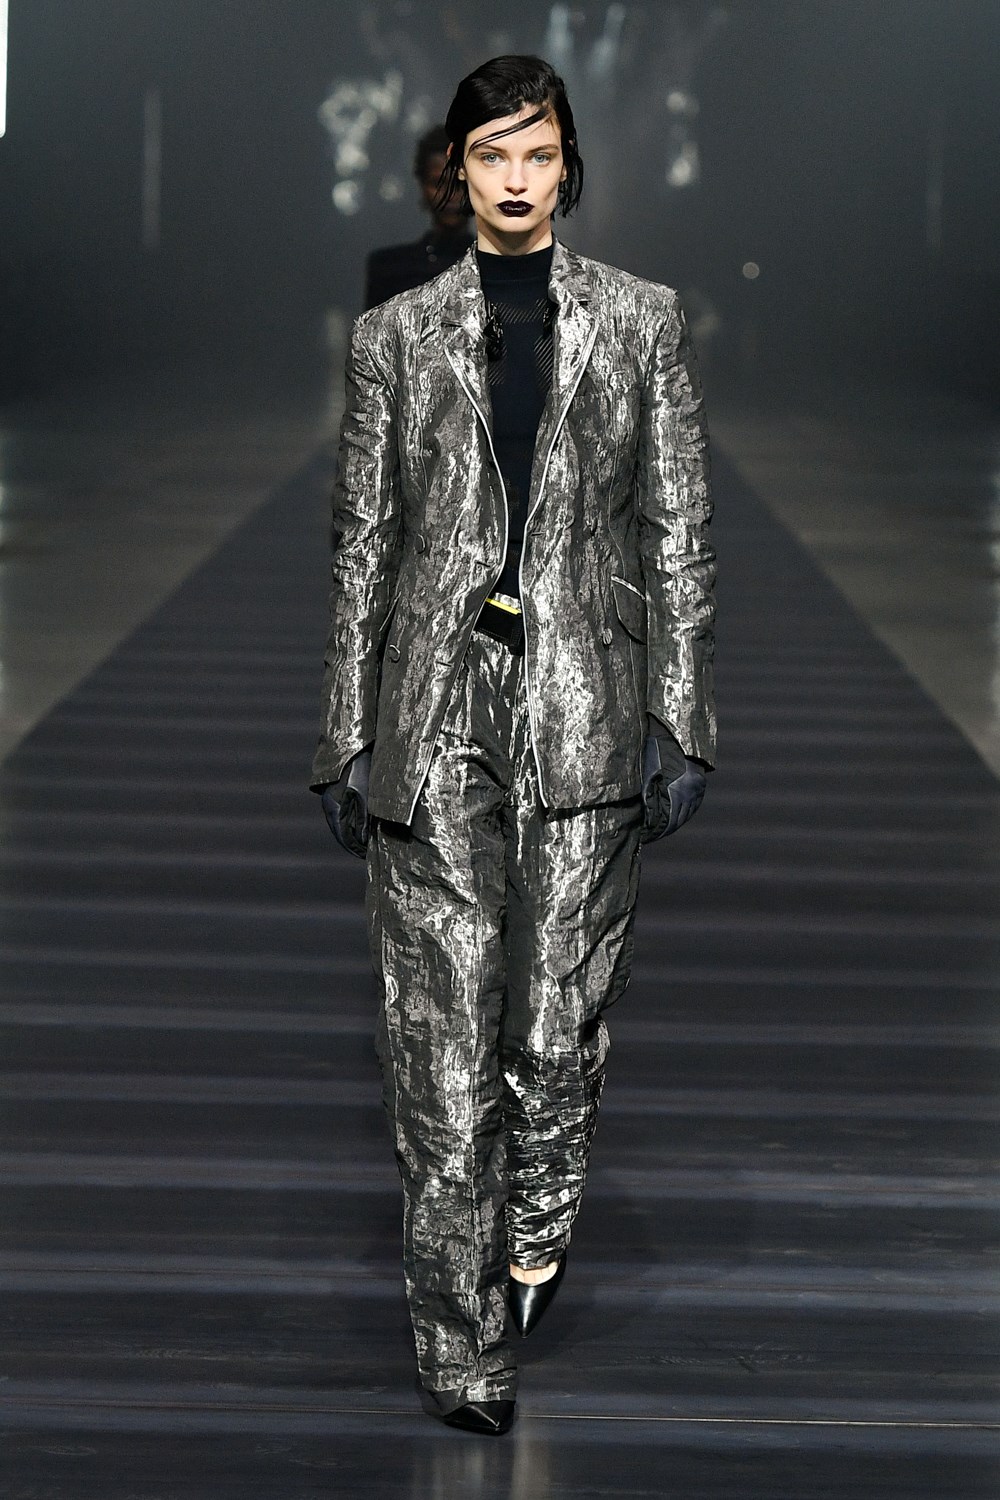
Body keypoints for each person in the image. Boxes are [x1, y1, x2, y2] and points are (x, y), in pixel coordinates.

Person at [311, 54, 715, 1436]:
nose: (517, 177)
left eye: (538, 152)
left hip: (587, 697)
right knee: (438, 1044)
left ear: (569, 164)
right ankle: (462, 1349)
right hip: (434, 708)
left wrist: (681, 714)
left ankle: (538, 1217)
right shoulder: (396, 335)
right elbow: (362, 543)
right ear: (460, 169)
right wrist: (343, 732)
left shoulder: (641, 322)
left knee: (552, 1032)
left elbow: (676, 524)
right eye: (493, 154)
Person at [363, 124, 475, 310]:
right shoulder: (390, 269)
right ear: (422, 186)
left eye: (459, 183)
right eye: (438, 183)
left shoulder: (500, 269)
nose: (449, 195)